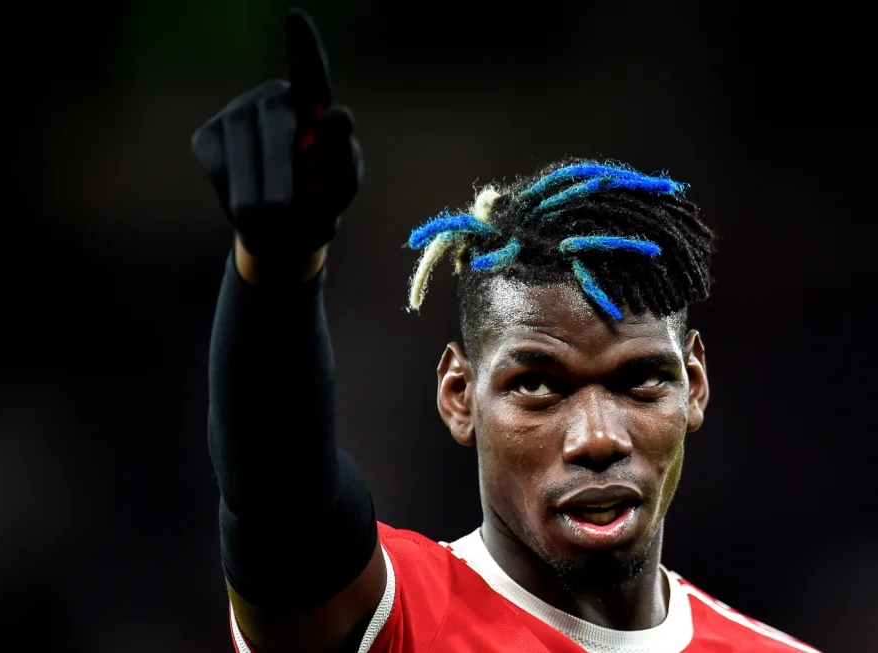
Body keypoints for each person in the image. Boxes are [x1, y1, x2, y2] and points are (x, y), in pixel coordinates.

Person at [192, 8, 819, 653]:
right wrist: (275, 268)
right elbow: (280, 503)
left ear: (694, 383)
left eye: (642, 381)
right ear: (459, 395)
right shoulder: (400, 617)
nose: (598, 439)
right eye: (539, 386)